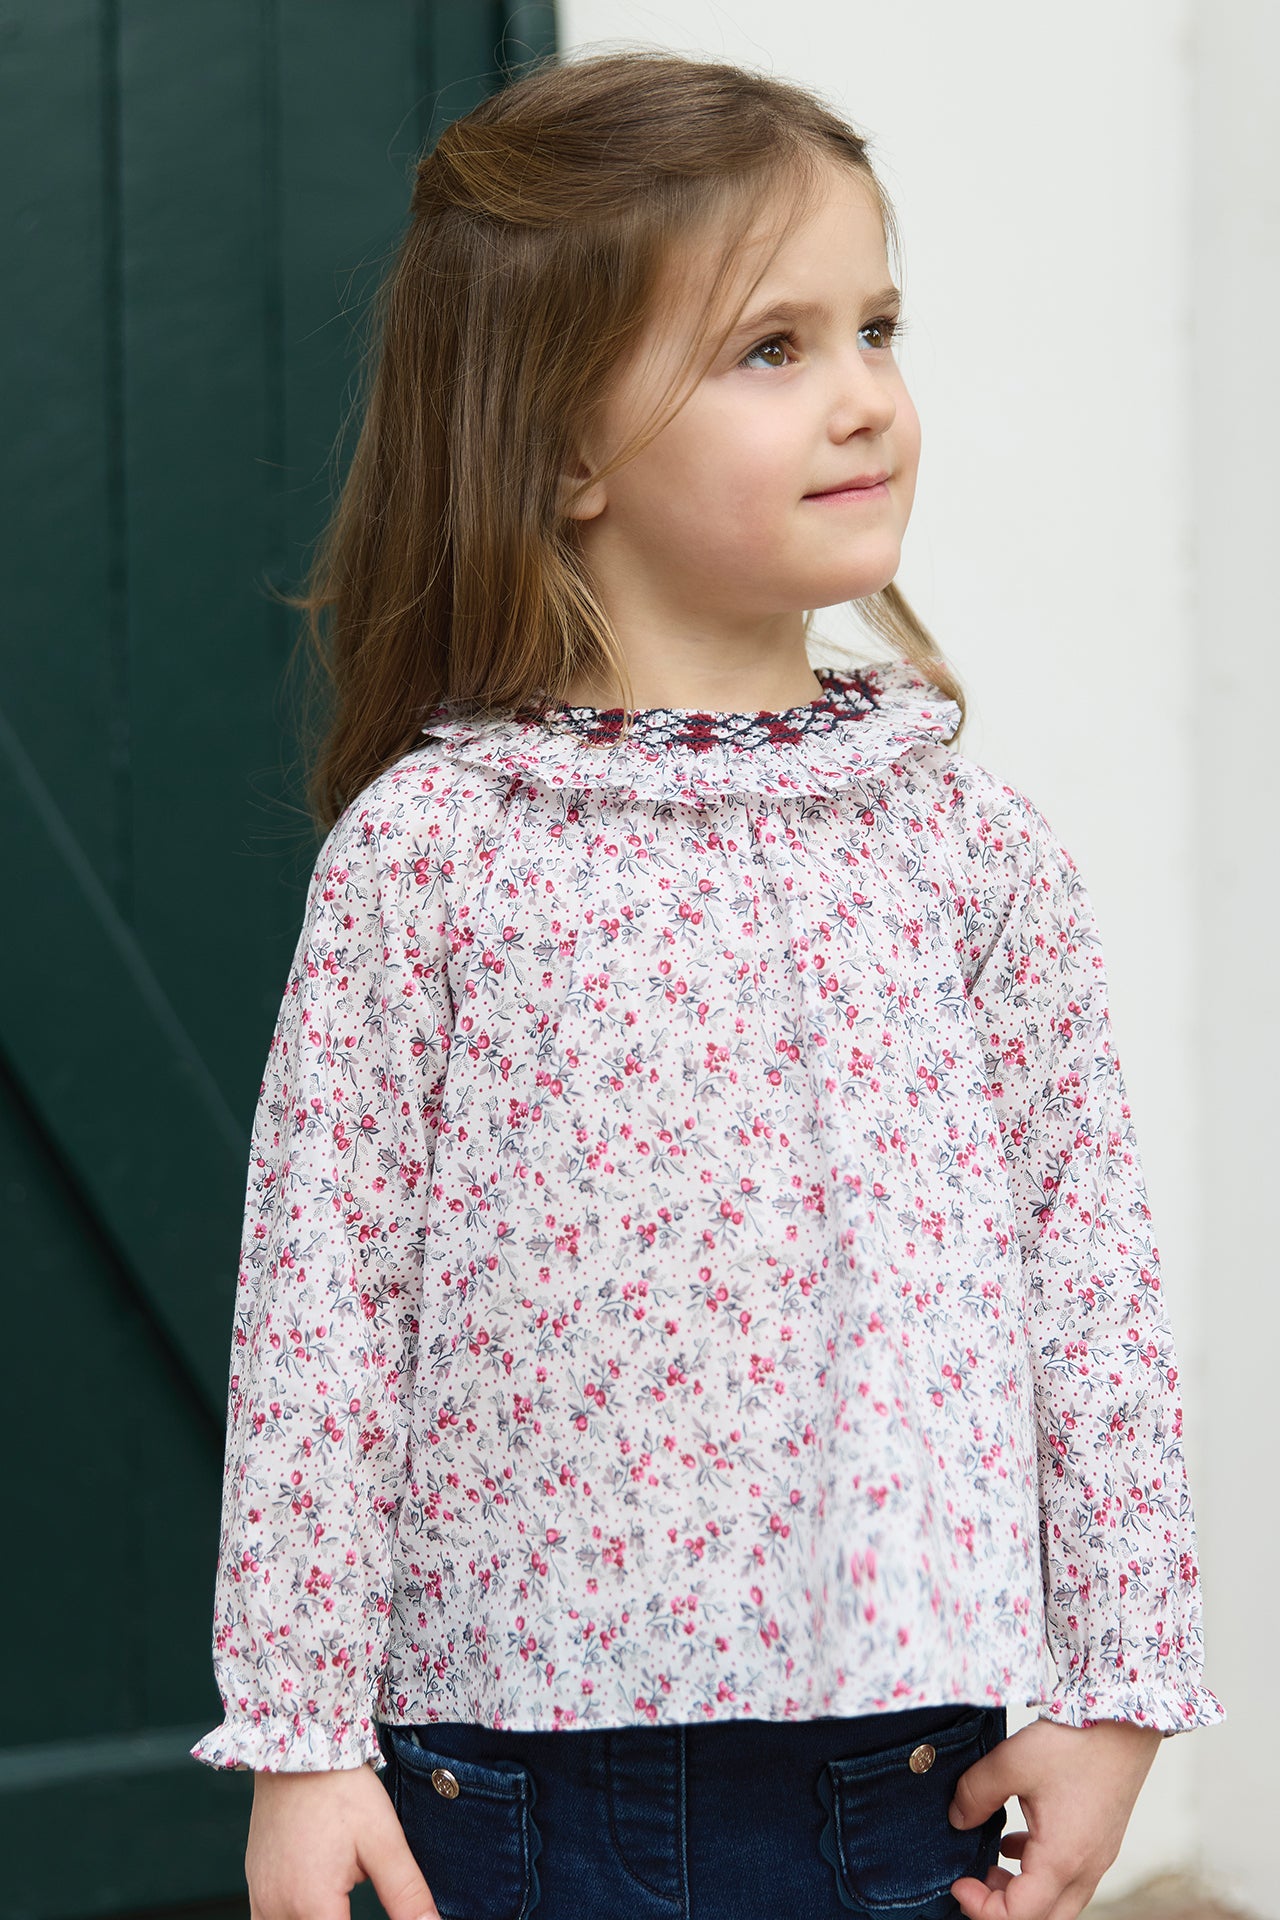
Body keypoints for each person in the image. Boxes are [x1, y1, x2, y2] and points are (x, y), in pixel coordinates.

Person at [191, 44, 1225, 1920]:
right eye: (772, 349)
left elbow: (1088, 1280)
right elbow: (322, 1320)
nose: (865, 396)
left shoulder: (967, 851)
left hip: (896, 1777)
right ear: (563, 449)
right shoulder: (436, 858)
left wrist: (1121, 1683)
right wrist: (302, 1737)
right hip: (493, 1787)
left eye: (877, 329)